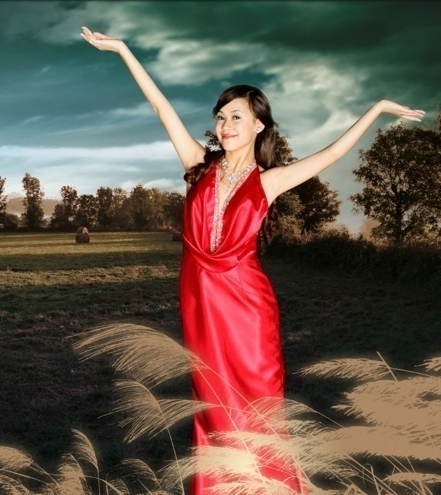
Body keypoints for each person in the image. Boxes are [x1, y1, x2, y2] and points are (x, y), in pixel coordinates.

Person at [79, 26, 425, 494]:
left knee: (259, 408)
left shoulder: (268, 181)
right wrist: (123, 50)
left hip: (247, 309)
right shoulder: (198, 164)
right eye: (221, 117)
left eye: (236, 117)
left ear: (259, 125)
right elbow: (162, 107)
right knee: (213, 405)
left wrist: (378, 108)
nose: (225, 125)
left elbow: (334, 152)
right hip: (201, 305)